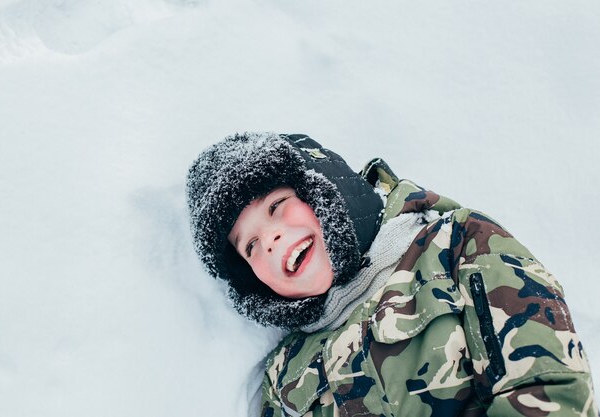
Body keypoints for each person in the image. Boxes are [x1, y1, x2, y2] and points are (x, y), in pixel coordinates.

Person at [186, 132, 597, 417]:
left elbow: (546, 387)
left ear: (324, 187)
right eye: (251, 246)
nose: (271, 239)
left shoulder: (456, 245)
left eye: (276, 205)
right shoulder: (284, 374)